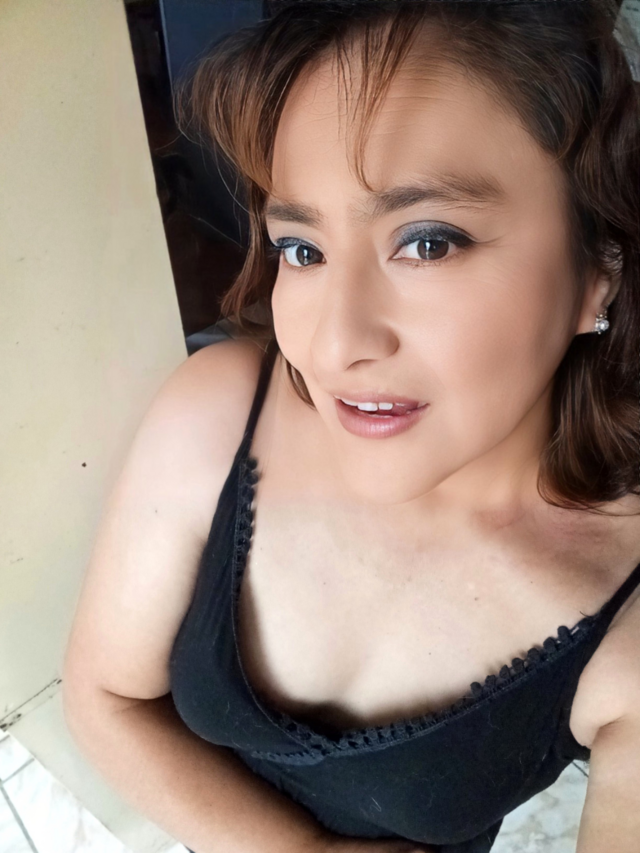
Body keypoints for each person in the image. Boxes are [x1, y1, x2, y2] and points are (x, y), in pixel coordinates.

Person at [62, 1, 640, 852]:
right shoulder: (216, 413)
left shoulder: (625, 627)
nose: (332, 345)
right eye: (302, 249)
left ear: (599, 269)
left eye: (429, 242)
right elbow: (104, 697)